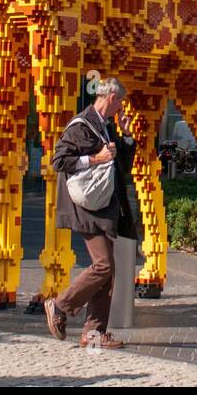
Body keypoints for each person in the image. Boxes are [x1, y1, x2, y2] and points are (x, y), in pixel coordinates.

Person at [44, 78, 129, 348]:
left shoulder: (105, 127)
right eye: (120, 104)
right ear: (111, 97)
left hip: (101, 208)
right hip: (86, 208)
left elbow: (121, 166)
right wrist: (95, 158)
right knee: (104, 266)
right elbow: (59, 161)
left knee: (107, 270)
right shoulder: (82, 125)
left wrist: (125, 136)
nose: (121, 109)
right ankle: (59, 306)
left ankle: (93, 334)